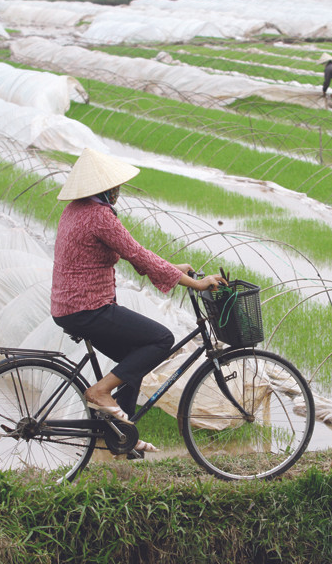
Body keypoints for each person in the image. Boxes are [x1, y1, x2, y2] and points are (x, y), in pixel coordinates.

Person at [50, 148, 225, 454]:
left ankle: (116, 433)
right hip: (88, 307)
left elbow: (133, 252)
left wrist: (172, 269)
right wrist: (196, 283)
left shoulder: (76, 210)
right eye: (115, 186)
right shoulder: (99, 216)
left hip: (69, 307)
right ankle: (101, 392)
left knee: (134, 359)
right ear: (107, 189)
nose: (118, 191)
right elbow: (137, 254)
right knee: (161, 339)